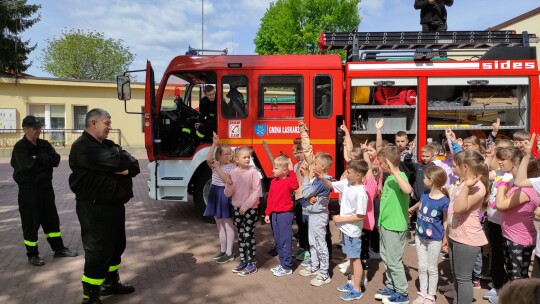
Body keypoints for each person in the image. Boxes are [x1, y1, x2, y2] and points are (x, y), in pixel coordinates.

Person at [69, 108, 140, 304]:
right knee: (97, 250)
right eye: (106, 123)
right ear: (93, 123)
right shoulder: (84, 146)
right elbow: (118, 160)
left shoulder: (107, 145)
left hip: (114, 205)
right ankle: (90, 294)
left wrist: (123, 167)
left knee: (117, 245)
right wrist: (120, 164)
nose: (110, 127)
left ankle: (110, 282)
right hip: (94, 207)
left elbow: (133, 165)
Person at [10, 115, 78, 266]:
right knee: (31, 223)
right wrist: (44, 162)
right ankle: (32, 254)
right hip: (28, 191)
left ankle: (59, 249)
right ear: (25, 129)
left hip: (46, 189)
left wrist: (39, 159)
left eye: (39, 128)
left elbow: (56, 160)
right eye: (35, 128)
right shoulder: (20, 148)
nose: (38, 131)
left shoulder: (44, 144)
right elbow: (26, 167)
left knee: (51, 220)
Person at [316, 159, 368, 301]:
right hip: (346, 230)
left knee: (356, 259)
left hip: (352, 231)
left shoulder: (361, 193)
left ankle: (357, 289)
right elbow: (332, 185)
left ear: (358, 175)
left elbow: (360, 215)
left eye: (349, 172)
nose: (345, 174)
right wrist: (320, 177)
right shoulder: (347, 183)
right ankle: (352, 283)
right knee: (351, 258)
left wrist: (341, 219)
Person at [447, 150, 489, 304]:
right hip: (455, 235)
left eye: (454, 166)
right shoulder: (464, 182)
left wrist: (465, 187)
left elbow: (459, 208)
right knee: (457, 277)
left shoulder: (477, 186)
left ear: (465, 167)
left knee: (464, 279)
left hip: (467, 238)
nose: (452, 168)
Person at [373, 146, 413, 304]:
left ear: (388, 163)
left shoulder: (399, 176)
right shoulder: (389, 177)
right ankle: (391, 287)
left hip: (395, 226)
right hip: (386, 225)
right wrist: (380, 222)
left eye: (381, 163)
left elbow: (408, 189)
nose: (379, 165)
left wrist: (394, 171)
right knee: (387, 258)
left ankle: (402, 293)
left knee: (394, 260)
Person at [408, 166, 449, 304]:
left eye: (425, 177)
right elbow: (421, 202)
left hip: (434, 239)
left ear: (432, 180)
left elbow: (445, 221)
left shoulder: (444, 201)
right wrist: (413, 209)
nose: (423, 179)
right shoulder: (425, 194)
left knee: (432, 267)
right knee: (422, 265)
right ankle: (423, 292)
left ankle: (431, 295)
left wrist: (445, 238)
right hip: (420, 236)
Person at [224, 146, 261, 276]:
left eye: (248, 157)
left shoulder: (253, 172)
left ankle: (252, 263)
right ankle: (243, 261)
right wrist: (228, 185)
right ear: (237, 159)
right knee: (240, 235)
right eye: (244, 157)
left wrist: (244, 207)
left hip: (249, 209)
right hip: (236, 209)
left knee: (248, 235)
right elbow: (228, 194)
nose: (247, 159)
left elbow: (256, 191)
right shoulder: (233, 173)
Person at [298, 152, 334, 287]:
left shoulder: (324, 181)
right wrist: (309, 196)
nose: (313, 166)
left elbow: (306, 192)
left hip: (319, 216)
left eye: (316, 164)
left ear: (323, 166)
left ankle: (324, 273)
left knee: (320, 243)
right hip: (313, 214)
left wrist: (306, 178)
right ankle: (314, 265)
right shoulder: (318, 180)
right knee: (312, 242)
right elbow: (308, 195)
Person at [205, 132, 236, 264]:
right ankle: (223, 250)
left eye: (230, 153)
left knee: (228, 224)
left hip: (224, 194)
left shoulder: (232, 166)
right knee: (219, 224)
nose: (229, 155)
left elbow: (225, 179)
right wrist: (214, 144)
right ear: (219, 156)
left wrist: (216, 167)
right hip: (215, 192)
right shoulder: (216, 162)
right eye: (226, 153)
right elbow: (208, 159)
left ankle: (229, 253)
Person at [265, 155, 299, 277]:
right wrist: (268, 213)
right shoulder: (273, 182)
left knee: (285, 240)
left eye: (275, 168)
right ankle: (282, 263)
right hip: (275, 214)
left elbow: (295, 186)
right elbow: (270, 198)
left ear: (284, 170)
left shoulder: (289, 180)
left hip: (285, 214)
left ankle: (287, 266)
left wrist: (292, 171)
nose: (273, 170)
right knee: (278, 240)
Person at [178, 85, 217, 156]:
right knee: (188, 122)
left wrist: (202, 124)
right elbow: (202, 114)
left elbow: (219, 118)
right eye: (210, 95)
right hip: (207, 121)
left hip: (216, 124)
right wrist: (199, 121)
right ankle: (183, 144)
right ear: (205, 94)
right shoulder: (203, 101)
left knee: (202, 127)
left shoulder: (219, 101)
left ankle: (192, 147)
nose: (212, 96)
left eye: (213, 94)